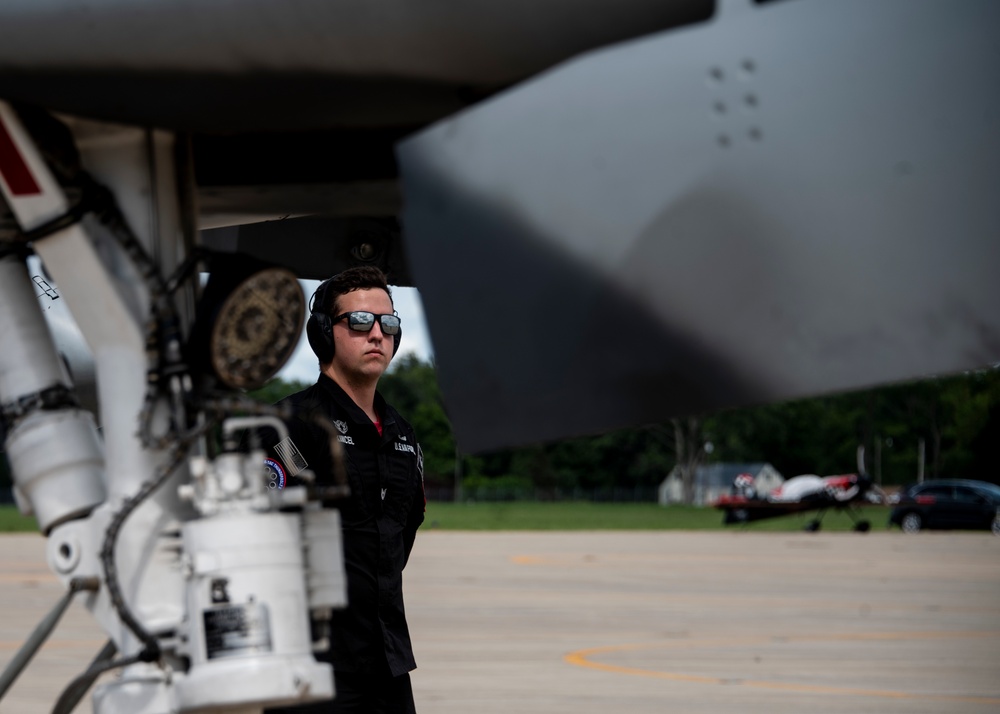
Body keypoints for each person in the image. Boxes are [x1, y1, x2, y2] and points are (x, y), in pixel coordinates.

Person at [263, 266, 424, 714]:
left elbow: (400, 539)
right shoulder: (287, 428)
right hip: (311, 671)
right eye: (359, 322)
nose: (377, 334)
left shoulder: (404, 437)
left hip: (388, 666)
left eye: (388, 323)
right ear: (322, 333)